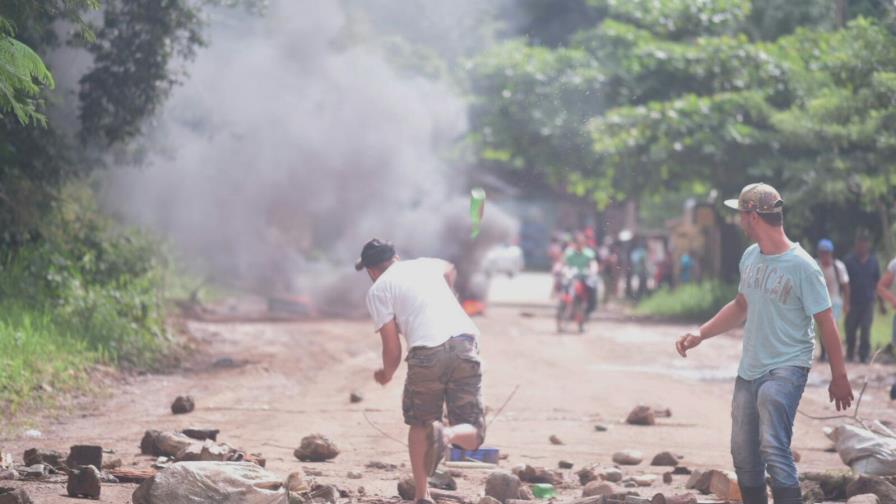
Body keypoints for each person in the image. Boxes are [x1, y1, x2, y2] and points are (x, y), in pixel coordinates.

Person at [675, 183, 853, 504]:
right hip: (750, 368)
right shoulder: (750, 257)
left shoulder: (803, 267)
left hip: (788, 366)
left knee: (772, 444)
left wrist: (839, 376)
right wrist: (701, 333)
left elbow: (826, 321)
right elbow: (741, 305)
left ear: (753, 216)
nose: (740, 221)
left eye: (741, 215)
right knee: (742, 452)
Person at [356, 239, 485, 504]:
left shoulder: (379, 290)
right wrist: (447, 295)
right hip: (464, 343)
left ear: (371, 271)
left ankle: (421, 495)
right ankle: (448, 435)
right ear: (396, 258)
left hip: (426, 352)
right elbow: (450, 269)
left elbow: (392, 349)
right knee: (473, 433)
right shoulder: (426, 265)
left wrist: (386, 374)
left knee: (420, 424)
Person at [843, 231, 881, 363]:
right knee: (850, 329)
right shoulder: (848, 261)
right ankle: (850, 352)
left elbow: (877, 283)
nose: (862, 246)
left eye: (865, 244)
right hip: (853, 301)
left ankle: (864, 355)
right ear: (856, 245)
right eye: (860, 243)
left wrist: (881, 303)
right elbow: (844, 283)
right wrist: (845, 302)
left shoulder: (873, 262)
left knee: (865, 328)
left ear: (868, 245)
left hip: (868, 301)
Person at [815, 238, 850, 362]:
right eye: (822, 253)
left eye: (826, 253)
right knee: (821, 328)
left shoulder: (838, 266)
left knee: (833, 328)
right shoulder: (815, 265)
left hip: (834, 301)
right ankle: (824, 352)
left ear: (831, 253)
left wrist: (846, 303)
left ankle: (834, 353)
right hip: (819, 301)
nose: (824, 255)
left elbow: (845, 285)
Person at [563, 232, 599, 315]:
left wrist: (592, 271)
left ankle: (590, 308)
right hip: (572, 276)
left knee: (592, 287)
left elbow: (593, 264)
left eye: (581, 243)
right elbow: (565, 265)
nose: (579, 245)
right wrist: (565, 271)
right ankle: (564, 306)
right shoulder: (569, 254)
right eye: (577, 243)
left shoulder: (589, 254)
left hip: (585, 277)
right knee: (565, 285)